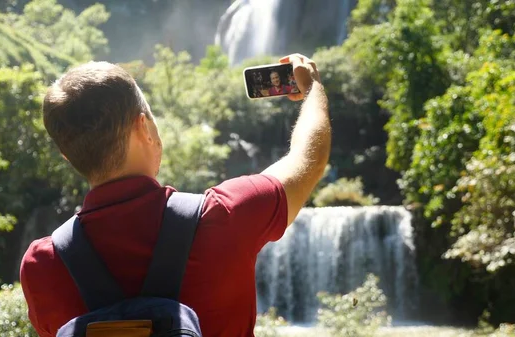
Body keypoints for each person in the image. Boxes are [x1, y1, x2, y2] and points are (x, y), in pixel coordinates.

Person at [19, 53, 330, 337]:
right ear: (145, 127)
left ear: (67, 156)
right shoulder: (226, 216)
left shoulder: (42, 265)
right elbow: (308, 160)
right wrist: (313, 88)